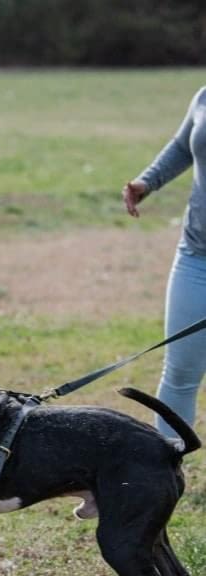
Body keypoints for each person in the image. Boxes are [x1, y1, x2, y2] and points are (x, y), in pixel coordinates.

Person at [123, 85, 206, 438]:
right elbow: (183, 144)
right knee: (179, 374)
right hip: (196, 256)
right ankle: (168, 477)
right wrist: (148, 180)